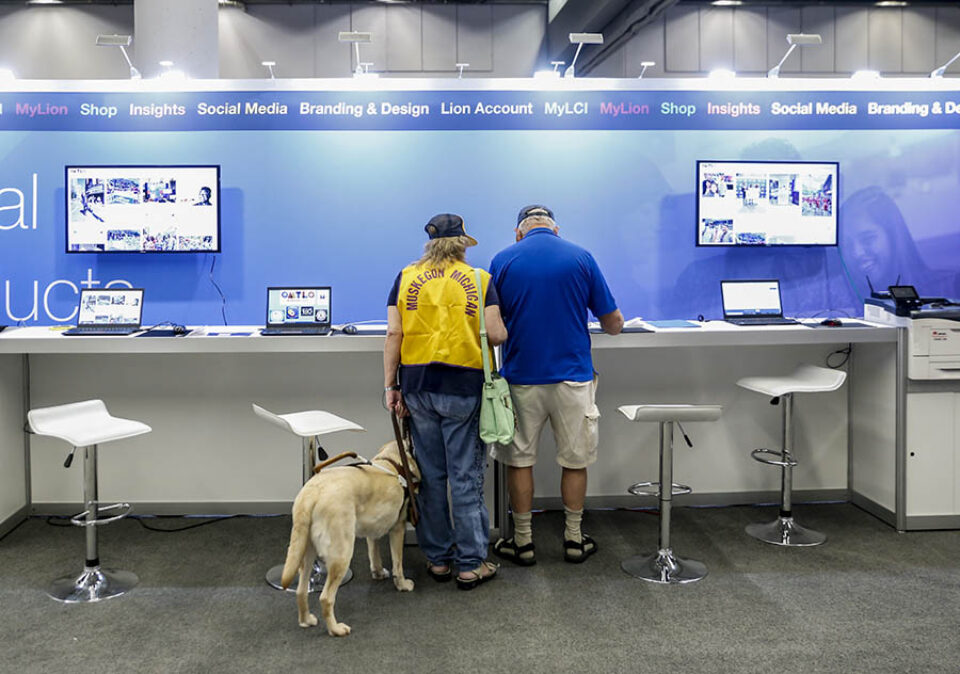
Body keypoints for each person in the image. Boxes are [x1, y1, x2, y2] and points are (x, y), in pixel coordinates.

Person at [489, 205, 623, 566]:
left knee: (519, 461)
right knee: (575, 461)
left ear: (519, 232)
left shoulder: (502, 261)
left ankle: (523, 542)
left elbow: (492, 328)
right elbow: (613, 323)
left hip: (521, 378)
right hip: (573, 377)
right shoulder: (581, 258)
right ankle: (575, 538)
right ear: (556, 230)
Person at [384, 213, 508, 590]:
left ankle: (437, 560)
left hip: (418, 385)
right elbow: (498, 334)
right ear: (461, 244)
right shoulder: (478, 279)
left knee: (432, 477)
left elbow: (394, 333)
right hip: (462, 385)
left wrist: (391, 386)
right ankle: (471, 564)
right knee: (466, 477)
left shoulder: (405, 277)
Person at [842, 186, 960, 299]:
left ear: (893, 237)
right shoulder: (848, 302)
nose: (856, 253)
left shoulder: (950, 288)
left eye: (867, 239)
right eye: (847, 244)